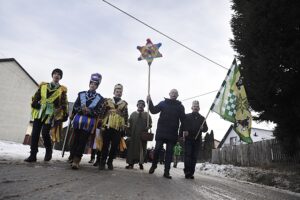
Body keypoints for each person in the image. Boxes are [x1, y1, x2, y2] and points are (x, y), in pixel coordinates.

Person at [25, 68, 68, 162]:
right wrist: (35, 103)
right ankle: (33, 155)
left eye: (59, 74)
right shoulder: (43, 86)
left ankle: (49, 150)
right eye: (55, 74)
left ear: (60, 77)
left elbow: (64, 103)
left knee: (44, 133)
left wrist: (65, 114)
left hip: (50, 113)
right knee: (35, 133)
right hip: (40, 112)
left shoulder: (62, 90)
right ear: (52, 75)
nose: (57, 75)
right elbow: (36, 96)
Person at [147, 89, 186, 179]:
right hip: (161, 131)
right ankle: (154, 165)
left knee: (169, 153)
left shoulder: (180, 106)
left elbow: (183, 120)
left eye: (175, 93)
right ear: (169, 94)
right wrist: (149, 101)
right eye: (172, 93)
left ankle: (166, 172)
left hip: (172, 133)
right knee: (157, 150)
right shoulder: (163, 103)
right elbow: (153, 110)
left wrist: (181, 133)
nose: (173, 94)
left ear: (177, 95)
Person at [70, 73, 105, 169]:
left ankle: (77, 160)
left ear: (97, 86)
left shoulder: (100, 99)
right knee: (75, 140)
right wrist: (81, 110)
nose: (93, 85)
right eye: (92, 83)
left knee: (82, 141)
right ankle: (72, 157)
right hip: (78, 121)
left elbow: (98, 111)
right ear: (89, 84)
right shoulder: (81, 94)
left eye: (95, 84)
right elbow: (75, 106)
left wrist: (89, 111)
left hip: (89, 123)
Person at [99, 84, 128, 170]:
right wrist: (100, 123)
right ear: (114, 92)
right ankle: (102, 162)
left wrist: (124, 128)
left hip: (118, 127)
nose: (118, 93)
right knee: (105, 144)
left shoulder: (124, 104)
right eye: (117, 91)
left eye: (120, 92)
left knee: (115, 145)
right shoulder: (108, 101)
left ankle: (110, 161)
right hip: (107, 125)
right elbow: (102, 112)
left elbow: (126, 117)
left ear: (122, 93)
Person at [180, 100, 208, 179]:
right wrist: (181, 135)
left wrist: (203, 128)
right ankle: (187, 171)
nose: (195, 108)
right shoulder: (187, 116)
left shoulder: (202, 118)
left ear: (199, 108)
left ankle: (191, 172)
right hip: (188, 139)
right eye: (194, 106)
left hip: (197, 140)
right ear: (192, 107)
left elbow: (206, 128)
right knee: (188, 155)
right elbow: (182, 126)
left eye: (197, 107)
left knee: (194, 156)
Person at [125, 100, 152, 170]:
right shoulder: (133, 114)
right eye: (139, 104)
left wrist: (149, 126)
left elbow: (150, 124)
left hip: (142, 135)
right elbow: (129, 123)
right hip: (133, 135)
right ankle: (130, 164)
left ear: (144, 106)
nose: (140, 105)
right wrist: (127, 130)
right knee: (131, 149)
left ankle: (141, 163)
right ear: (137, 105)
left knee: (142, 149)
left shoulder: (147, 114)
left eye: (142, 104)